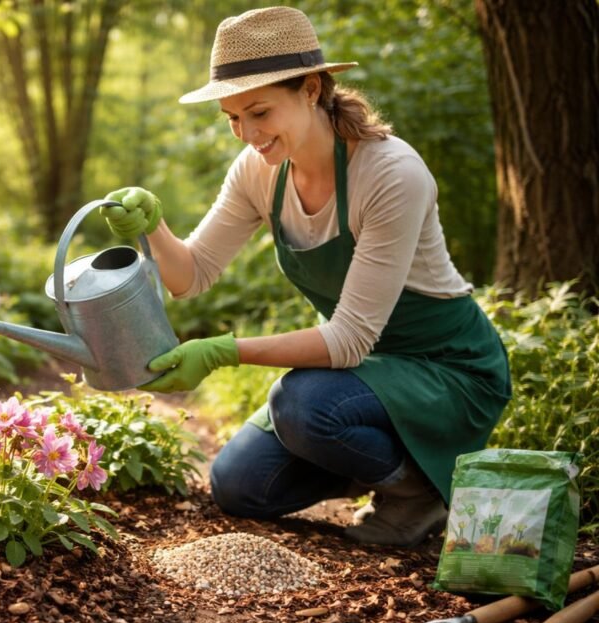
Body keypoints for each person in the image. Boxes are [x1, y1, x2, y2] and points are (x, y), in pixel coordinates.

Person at [99, 6, 511, 547]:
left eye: (259, 112)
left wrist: (222, 352)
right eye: (232, 118)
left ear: (312, 89)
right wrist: (152, 225)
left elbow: (349, 339)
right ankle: (383, 463)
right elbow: (191, 275)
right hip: (359, 375)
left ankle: (417, 492)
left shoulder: (391, 174)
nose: (247, 134)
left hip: (445, 369)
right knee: (239, 486)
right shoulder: (258, 170)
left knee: (301, 404)